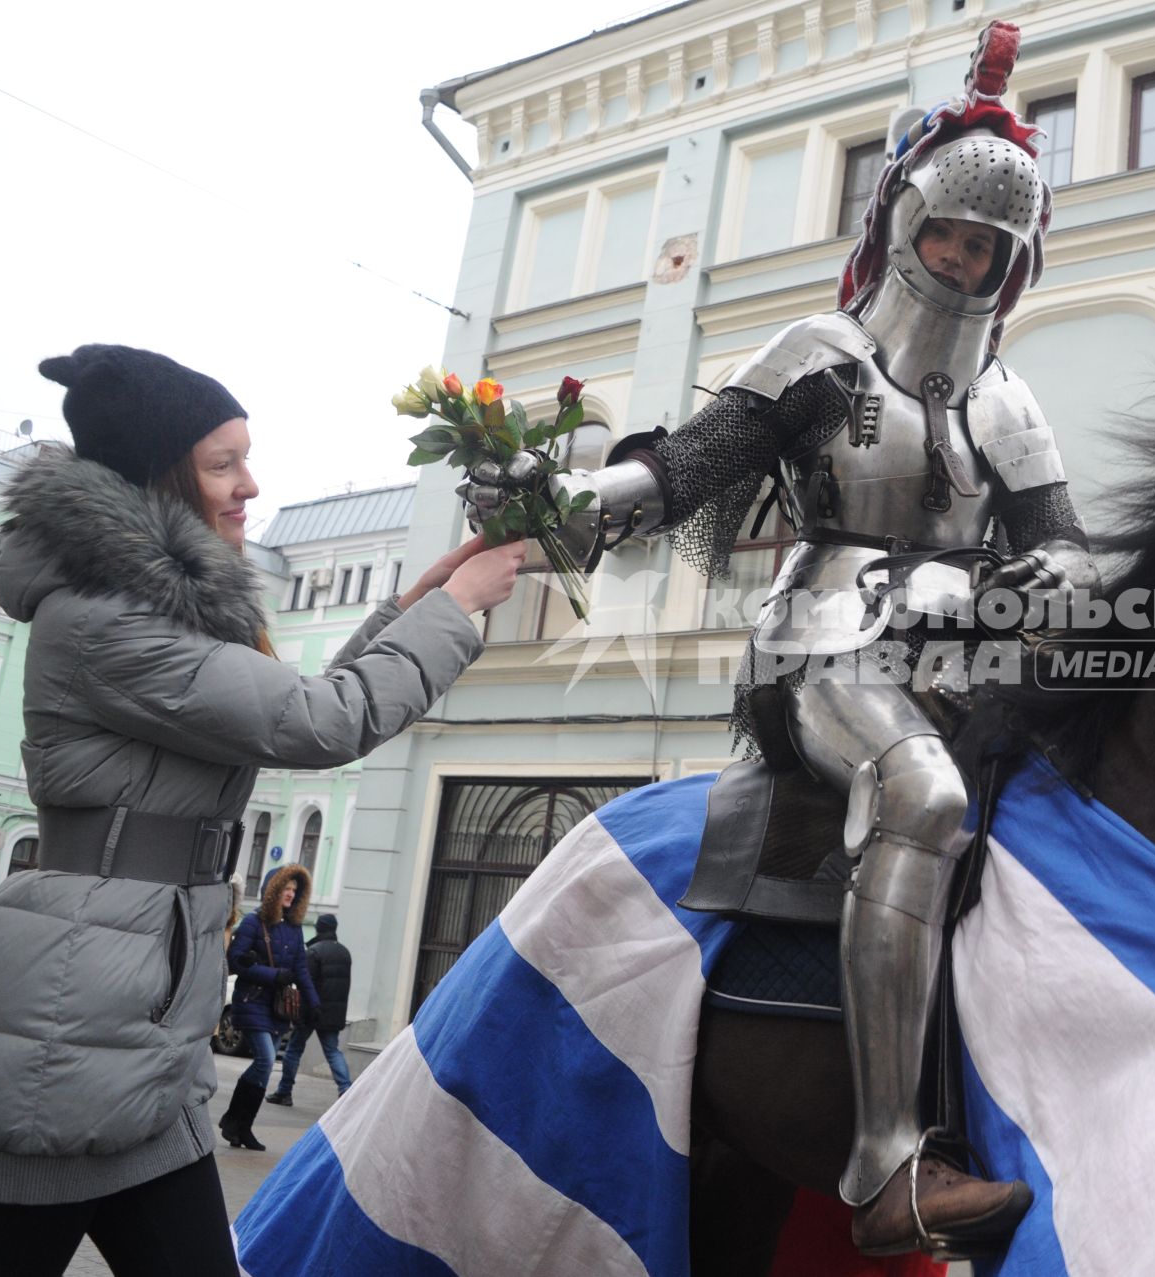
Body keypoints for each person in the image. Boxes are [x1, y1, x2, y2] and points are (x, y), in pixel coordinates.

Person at [464, 22, 1091, 1259]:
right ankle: (886, 1162)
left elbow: (1070, 545)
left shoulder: (1012, 399)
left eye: (988, 249)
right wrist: (558, 505)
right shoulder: (821, 352)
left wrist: (1036, 582)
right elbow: (693, 465)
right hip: (828, 635)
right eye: (949, 237)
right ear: (904, 227)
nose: (963, 264)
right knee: (916, 792)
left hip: (970, 651)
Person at [0, 343, 526, 1277]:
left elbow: (286, 702)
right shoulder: (105, 618)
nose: (250, 483)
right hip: (63, 1031)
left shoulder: (157, 612)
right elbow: (318, 722)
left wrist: (421, 600)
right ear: (156, 477)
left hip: (138, 1020)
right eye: (223, 463)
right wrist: (455, 609)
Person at [220, 865, 316, 1147]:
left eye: (294, 891)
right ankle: (233, 1121)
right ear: (274, 890)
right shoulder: (254, 922)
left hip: (277, 1008)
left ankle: (241, 1126)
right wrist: (273, 975)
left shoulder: (295, 929)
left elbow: (301, 969)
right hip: (252, 1001)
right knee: (264, 1059)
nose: (290, 894)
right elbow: (235, 960)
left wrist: (314, 1002)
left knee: (264, 1066)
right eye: (286, 889)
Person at [267, 911, 353, 1105]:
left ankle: (284, 1091)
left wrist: (301, 1014)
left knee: (293, 1050)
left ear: (318, 928)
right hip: (334, 1014)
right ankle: (346, 1090)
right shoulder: (344, 952)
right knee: (333, 1051)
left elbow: (307, 985)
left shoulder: (314, 952)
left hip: (311, 1012)